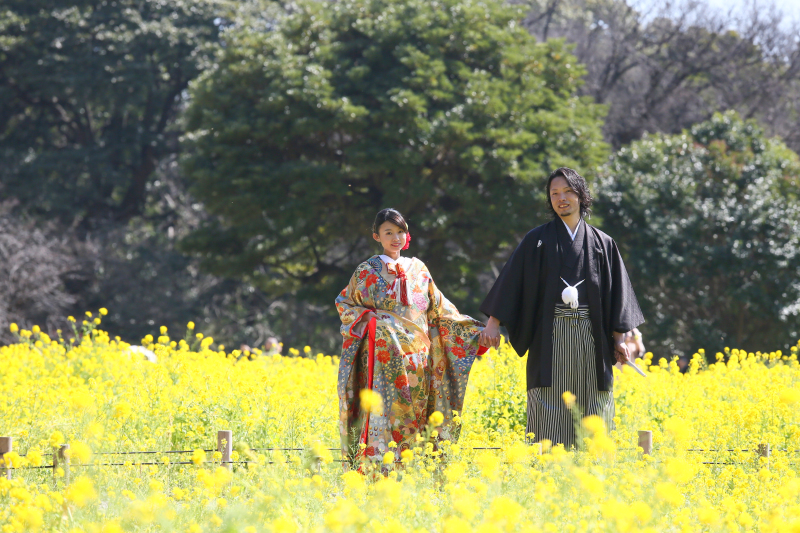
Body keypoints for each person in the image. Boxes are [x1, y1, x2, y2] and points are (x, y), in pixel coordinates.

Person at [479, 168, 644, 448]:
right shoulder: (537, 240)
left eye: (568, 191)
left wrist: (619, 340)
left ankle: (594, 471)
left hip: (592, 338)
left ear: (581, 195)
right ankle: (549, 472)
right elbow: (512, 281)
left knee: (594, 404)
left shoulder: (603, 244)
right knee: (550, 402)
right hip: (550, 335)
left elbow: (617, 295)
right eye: (554, 193)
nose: (561, 198)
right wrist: (493, 323)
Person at [335, 208, 487, 464]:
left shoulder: (420, 269)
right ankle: (381, 469)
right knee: (385, 412)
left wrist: (474, 331)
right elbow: (345, 303)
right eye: (388, 232)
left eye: (400, 232)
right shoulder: (366, 271)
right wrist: (369, 318)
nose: (396, 238)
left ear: (408, 236)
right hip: (384, 360)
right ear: (376, 237)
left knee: (419, 412)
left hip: (420, 361)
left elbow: (440, 309)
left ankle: (418, 468)